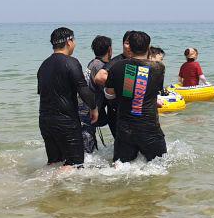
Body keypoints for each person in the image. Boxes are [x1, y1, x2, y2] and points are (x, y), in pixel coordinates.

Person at [96, 31, 167, 163]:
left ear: (130, 47)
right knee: (161, 165)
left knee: (120, 166)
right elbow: (153, 92)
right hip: (149, 128)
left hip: (125, 128)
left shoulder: (116, 66)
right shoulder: (158, 68)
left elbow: (110, 94)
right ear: (148, 47)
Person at [36, 27, 97, 168]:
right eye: (74, 40)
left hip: (45, 121)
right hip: (66, 122)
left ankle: (49, 187)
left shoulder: (43, 65)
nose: (74, 44)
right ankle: (47, 182)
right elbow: (83, 90)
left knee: (54, 162)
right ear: (69, 42)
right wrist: (94, 108)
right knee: (75, 165)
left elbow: (42, 92)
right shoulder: (71, 62)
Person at [81, 35, 113, 154]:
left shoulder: (93, 63)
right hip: (88, 108)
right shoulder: (100, 67)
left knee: (88, 142)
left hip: (85, 106)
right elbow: (108, 90)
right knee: (87, 147)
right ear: (109, 49)